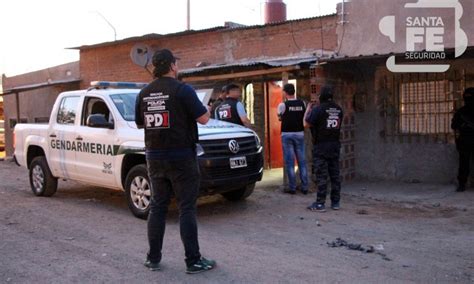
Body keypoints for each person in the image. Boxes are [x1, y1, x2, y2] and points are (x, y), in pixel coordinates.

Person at [135, 48, 216, 274]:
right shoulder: (183, 90)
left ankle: (153, 258)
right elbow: (204, 119)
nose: (177, 67)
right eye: (176, 64)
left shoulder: (144, 93)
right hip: (181, 157)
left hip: (154, 157)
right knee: (186, 207)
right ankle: (193, 261)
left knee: (158, 207)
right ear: (171, 66)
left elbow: (141, 123)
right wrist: (206, 109)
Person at [304, 86, 343, 212]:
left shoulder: (318, 109)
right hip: (334, 146)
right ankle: (335, 202)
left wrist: (308, 109)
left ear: (321, 97)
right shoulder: (339, 109)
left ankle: (320, 203)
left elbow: (306, 123)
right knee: (335, 175)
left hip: (321, 146)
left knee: (322, 176)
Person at [277, 83, 309, 194]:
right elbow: (304, 117)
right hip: (299, 134)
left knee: (290, 163)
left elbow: (280, 118)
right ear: (294, 91)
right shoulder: (303, 104)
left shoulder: (282, 105)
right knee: (302, 161)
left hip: (287, 134)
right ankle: (305, 187)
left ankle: (292, 188)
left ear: (285, 92)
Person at [451, 87, 474, 192]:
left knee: (463, 163)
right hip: (465, 140)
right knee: (463, 163)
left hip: (465, 140)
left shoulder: (461, 111)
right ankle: (462, 184)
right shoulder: (461, 112)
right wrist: (463, 125)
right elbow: (454, 125)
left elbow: (454, 126)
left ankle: (462, 184)